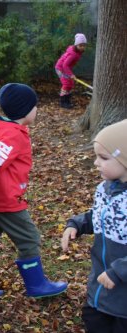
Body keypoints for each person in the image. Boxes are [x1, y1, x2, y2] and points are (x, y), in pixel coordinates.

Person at [0, 83, 68, 299]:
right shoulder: (13, 135)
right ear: (24, 110)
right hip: (6, 202)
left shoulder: (10, 131)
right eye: (34, 106)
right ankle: (37, 285)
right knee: (29, 238)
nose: (37, 109)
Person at [61, 120, 127, 333]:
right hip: (100, 291)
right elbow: (100, 215)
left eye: (104, 158)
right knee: (94, 321)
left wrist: (119, 271)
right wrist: (77, 225)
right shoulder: (106, 188)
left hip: (123, 301)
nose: (96, 163)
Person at [55, 33, 87, 109]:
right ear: (76, 45)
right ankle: (63, 102)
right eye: (80, 45)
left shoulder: (77, 52)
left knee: (70, 84)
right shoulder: (73, 54)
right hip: (60, 68)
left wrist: (70, 74)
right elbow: (65, 65)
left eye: (84, 45)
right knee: (66, 84)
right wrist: (71, 74)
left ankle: (67, 101)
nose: (82, 47)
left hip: (65, 68)